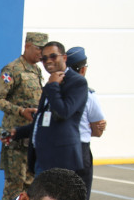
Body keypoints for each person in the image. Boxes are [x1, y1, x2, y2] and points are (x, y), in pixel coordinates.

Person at [12, 41, 88, 175]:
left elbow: (63, 112)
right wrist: (17, 132)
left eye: (53, 56)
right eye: (44, 58)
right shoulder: (51, 82)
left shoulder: (77, 82)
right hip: (42, 158)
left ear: (64, 57)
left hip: (61, 159)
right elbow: (44, 120)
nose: (48, 61)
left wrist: (53, 86)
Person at [0, 32, 48, 200]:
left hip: (31, 138)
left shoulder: (37, 70)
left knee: (30, 186)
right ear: (27, 46)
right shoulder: (12, 69)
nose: (42, 54)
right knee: (14, 187)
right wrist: (21, 111)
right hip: (14, 139)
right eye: (39, 49)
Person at [67, 46, 106, 200]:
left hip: (57, 152)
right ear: (83, 70)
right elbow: (98, 129)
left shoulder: (54, 90)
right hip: (80, 151)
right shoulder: (88, 94)